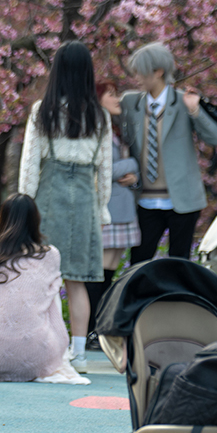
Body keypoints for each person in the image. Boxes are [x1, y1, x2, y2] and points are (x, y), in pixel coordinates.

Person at [18, 40, 111, 374]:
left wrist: (23, 206)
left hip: (50, 195)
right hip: (85, 198)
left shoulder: (42, 111)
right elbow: (106, 168)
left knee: (44, 279)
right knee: (77, 280)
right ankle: (80, 353)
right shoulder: (99, 116)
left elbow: (30, 163)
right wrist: (102, 209)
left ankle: (45, 350)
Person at [0, 194, 86, 383]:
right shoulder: (50, 255)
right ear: (35, 220)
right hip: (39, 355)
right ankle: (52, 352)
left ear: (2, 219)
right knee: (51, 293)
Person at [120, 42, 217, 264]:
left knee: (180, 264)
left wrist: (196, 111)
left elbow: (215, 138)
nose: (135, 76)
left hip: (182, 199)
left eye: (140, 71)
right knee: (138, 262)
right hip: (144, 199)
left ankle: (178, 300)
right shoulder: (130, 102)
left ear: (158, 71)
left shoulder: (183, 101)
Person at [86, 80, 140, 344]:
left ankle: (100, 328)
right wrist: (131, 164)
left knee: (108, 269)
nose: (117, 98)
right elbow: (102, 167)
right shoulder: (98, 127)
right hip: (109, 209)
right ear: (98, 99)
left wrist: (132, 175)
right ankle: (94, 329)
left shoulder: (115, 128)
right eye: (111, 94)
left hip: (121, 208)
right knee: (102, 271)